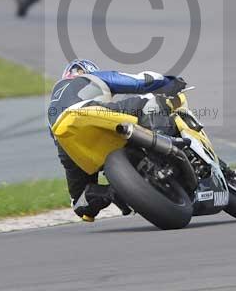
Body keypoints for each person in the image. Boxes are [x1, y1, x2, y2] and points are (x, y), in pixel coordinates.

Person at [47, 59, 187, 221]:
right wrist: (167, 81)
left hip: (65, 141)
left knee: (79, 203)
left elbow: (81, 208)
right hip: (84, 113)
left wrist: (117, 188)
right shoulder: (89, 77)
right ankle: (167, 146)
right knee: (152, 102)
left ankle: (112, 192)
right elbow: (138, 82)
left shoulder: (54, 99)